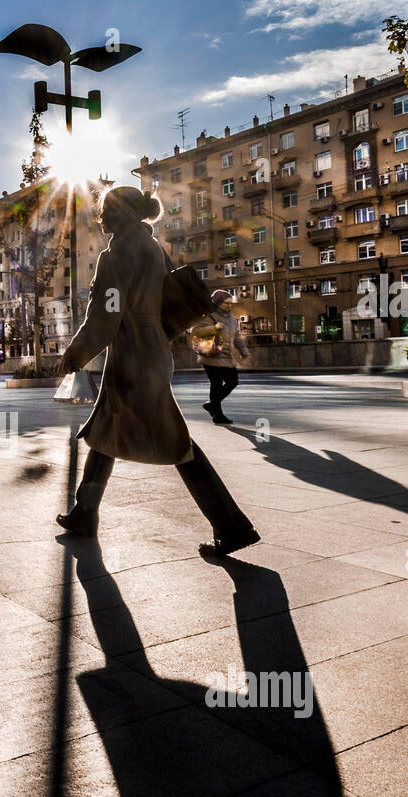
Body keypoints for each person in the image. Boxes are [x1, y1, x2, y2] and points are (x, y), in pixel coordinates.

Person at [54, 186, 260, 556]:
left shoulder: (117, 254)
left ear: (114, 213)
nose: (99, 215)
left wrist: (76, 352)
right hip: (150, 348)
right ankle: (85, 514)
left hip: (133, 352)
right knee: (105, 431)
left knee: (176, 444)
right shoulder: (152, 248)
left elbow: (107, 312)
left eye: (102, 209)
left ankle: (231, 526)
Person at [197, 289, 250, 424]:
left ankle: (211, 405)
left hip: (227, 355)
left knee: (233, 381)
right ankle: (217, 415)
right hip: (211, 354)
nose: (229, 305)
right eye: (226, 303)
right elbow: (198, 331)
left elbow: (236, 335)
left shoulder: (231, 317)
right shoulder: (207, 315)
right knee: (216, 383)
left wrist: (243, 351)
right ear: (218, 303)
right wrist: (215, 330)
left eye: (230, 303)